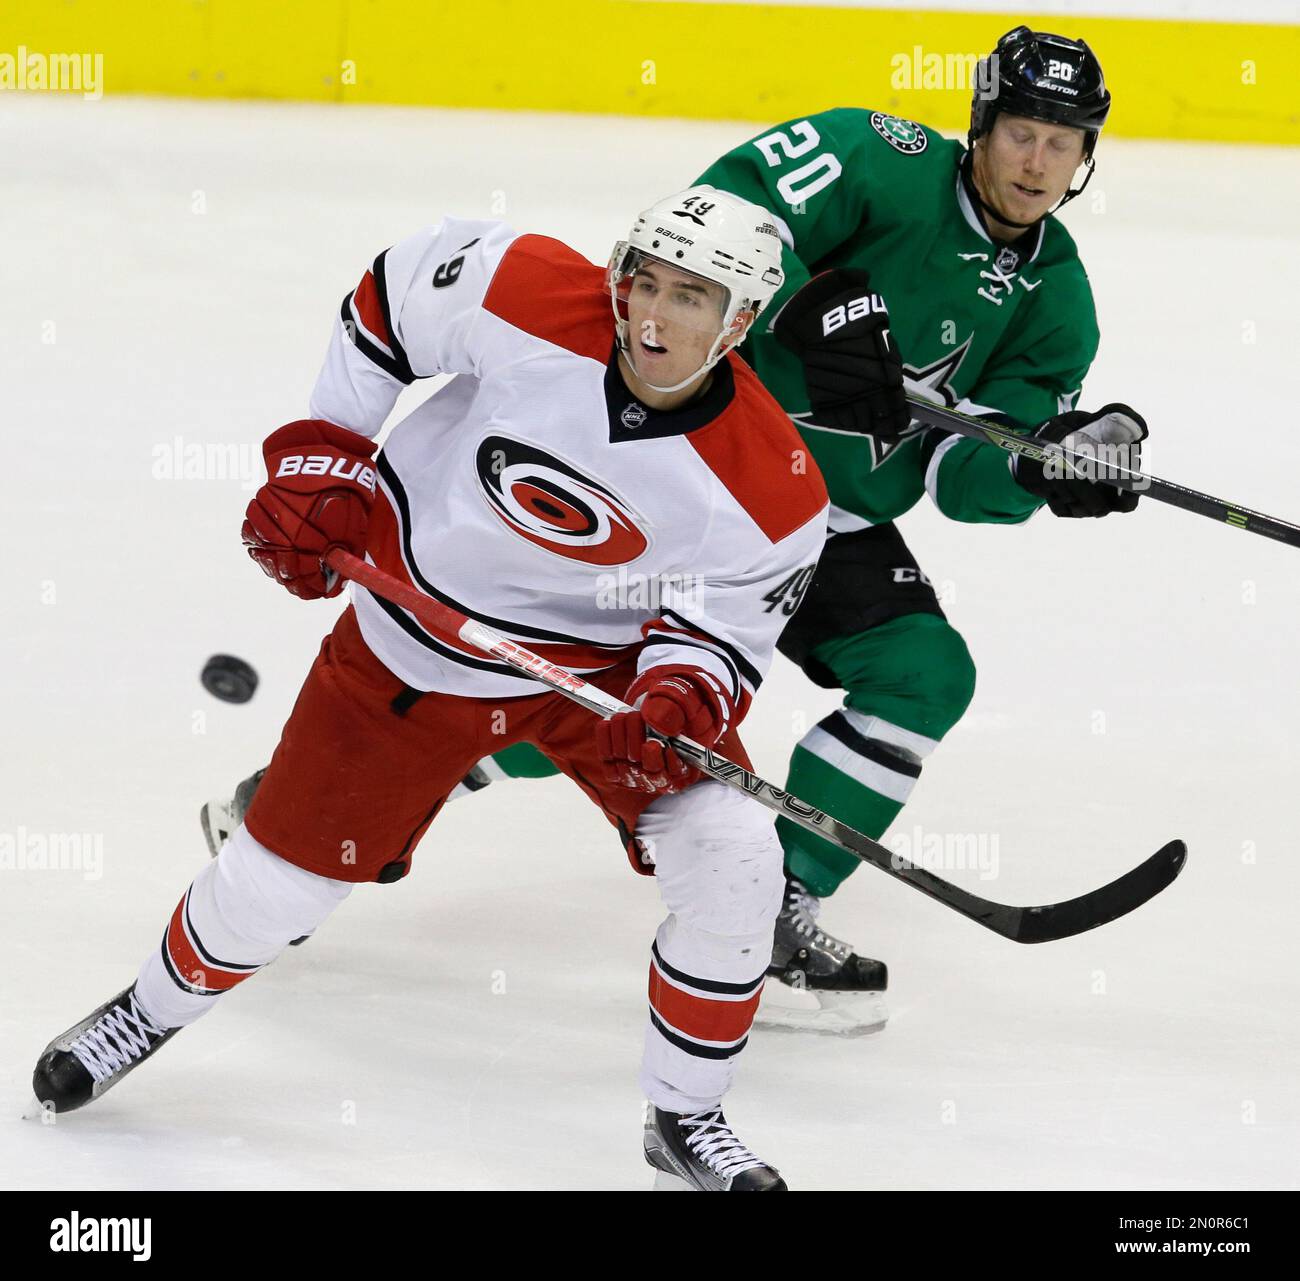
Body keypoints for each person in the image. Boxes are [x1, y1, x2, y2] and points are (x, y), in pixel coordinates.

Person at [199, 25, 1149, 1035]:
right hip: (693, 482)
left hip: (824, 526)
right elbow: (719, 220)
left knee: (922, 675)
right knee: (585, 692)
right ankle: (303, 806)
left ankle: (777, 904)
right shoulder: (879, 157)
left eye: (1063, 141)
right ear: (979, 126)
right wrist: (814, 306)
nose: (1038, 161)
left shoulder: (1059, 301)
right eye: (1021, 133)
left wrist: (1043, 467)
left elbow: (966, 479)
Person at [31, 186, 829, 1191]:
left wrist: (675, 702)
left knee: (736, 856)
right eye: (643, 283)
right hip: (415, 636)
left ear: (742, 321)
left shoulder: (775, 488)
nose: (651, 316)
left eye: (689, 298)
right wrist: (326, 456)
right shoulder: (531, 290)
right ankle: (145, 1011)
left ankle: (685, 1118)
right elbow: (387, 302)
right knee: (272, 892)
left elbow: (720, 633)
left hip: (596, 677)